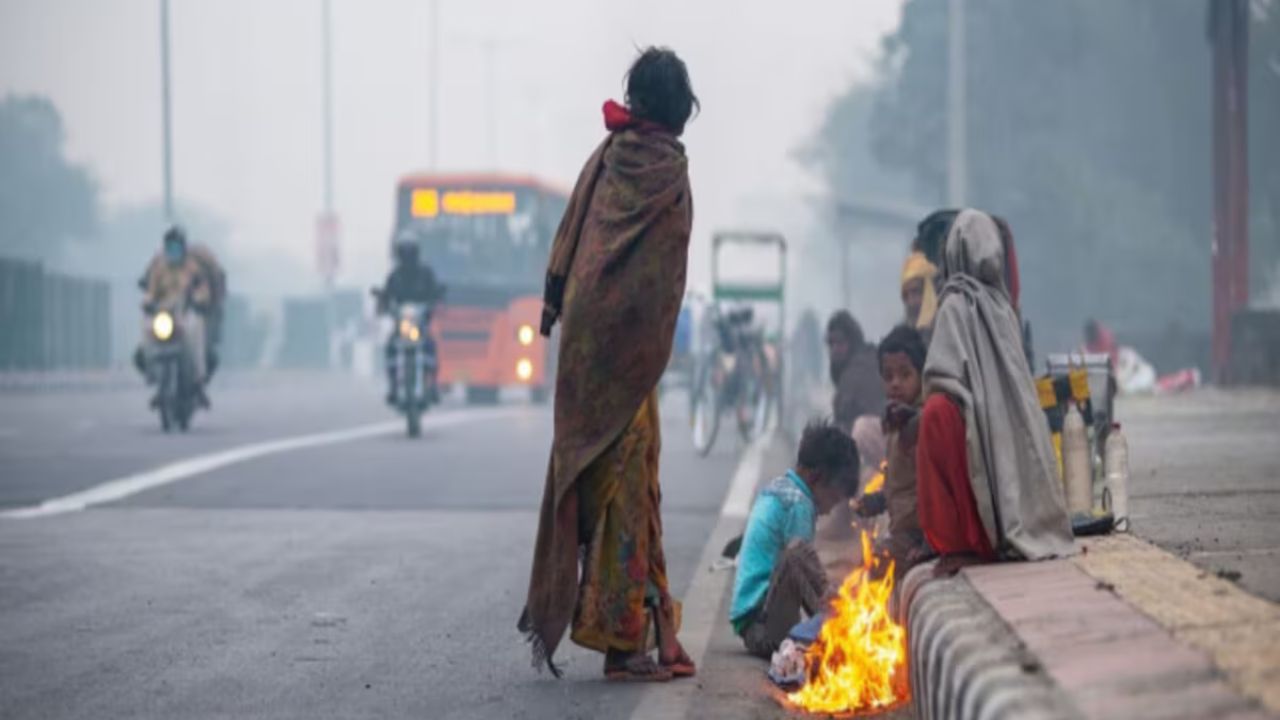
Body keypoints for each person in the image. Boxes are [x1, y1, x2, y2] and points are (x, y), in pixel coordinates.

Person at [518, 47, 699, 683]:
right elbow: (662, 277)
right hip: (625, 355)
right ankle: (625, 649)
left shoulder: (609, 157)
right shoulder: (667, 169)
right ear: (680, 109)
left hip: (586, 349)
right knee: (628, 489)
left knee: (631, 482)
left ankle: (662, 632)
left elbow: (574, 246)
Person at [916, 209, 1074, 566]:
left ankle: (959, 543)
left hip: (973, 444)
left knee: (937, 415)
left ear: (954, 251)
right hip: (1001, 445)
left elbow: (940, 380)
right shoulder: (1004, 309)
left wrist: (970, 410)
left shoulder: (954, 304)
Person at [730, 420, 860, 659]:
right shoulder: (799, 504)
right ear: (816, 478)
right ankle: (835, 627)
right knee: (798, 555)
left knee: (803, 562)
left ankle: (831, 622)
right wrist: (831, 602)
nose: (831, 509)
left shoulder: (781, 487)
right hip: (762, 628)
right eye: (833, 497)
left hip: (753, 623)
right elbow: (801, 565)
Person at [853, 325, 931, 579]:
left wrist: (929, 542)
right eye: (888, 377)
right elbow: (899, 485)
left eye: (905, 375)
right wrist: (875, 501)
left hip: (920, 535)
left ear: (921, 375)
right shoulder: (896, 422)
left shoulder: (925, 421)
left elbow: (935, 487)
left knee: (872, 575)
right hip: (903, 529)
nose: (896, 384)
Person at [140, 226, 213, 406]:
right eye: (170, 247)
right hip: (163, 314)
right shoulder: (159, 268)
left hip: (185, 312)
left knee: (195, 331)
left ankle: (197, 379)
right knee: (145, 331)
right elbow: (151, 291)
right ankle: (154, 376)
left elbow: (202, 289)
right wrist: (148, 302)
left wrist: (198, 299)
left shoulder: (192, 268)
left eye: (177, 247)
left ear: (183, 248)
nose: (173, 251)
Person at [377, 236, 444, 404]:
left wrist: (434, 301)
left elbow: (435, 291)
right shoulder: (395, 276)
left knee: (431, 347)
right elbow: (386, 295)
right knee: (391, 348)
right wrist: (383, 304)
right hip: (402, 325)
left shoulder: (425, 274)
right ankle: (393, 386)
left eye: (410, 254)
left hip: (420, 324)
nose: (407, 258)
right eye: (404, 254)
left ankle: (433, 385)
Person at [900, 252, 938, 337]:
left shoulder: (945, 326)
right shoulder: (903, 337)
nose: (910, 302)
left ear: (928, 292)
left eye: (915, 291)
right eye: (906, 295)